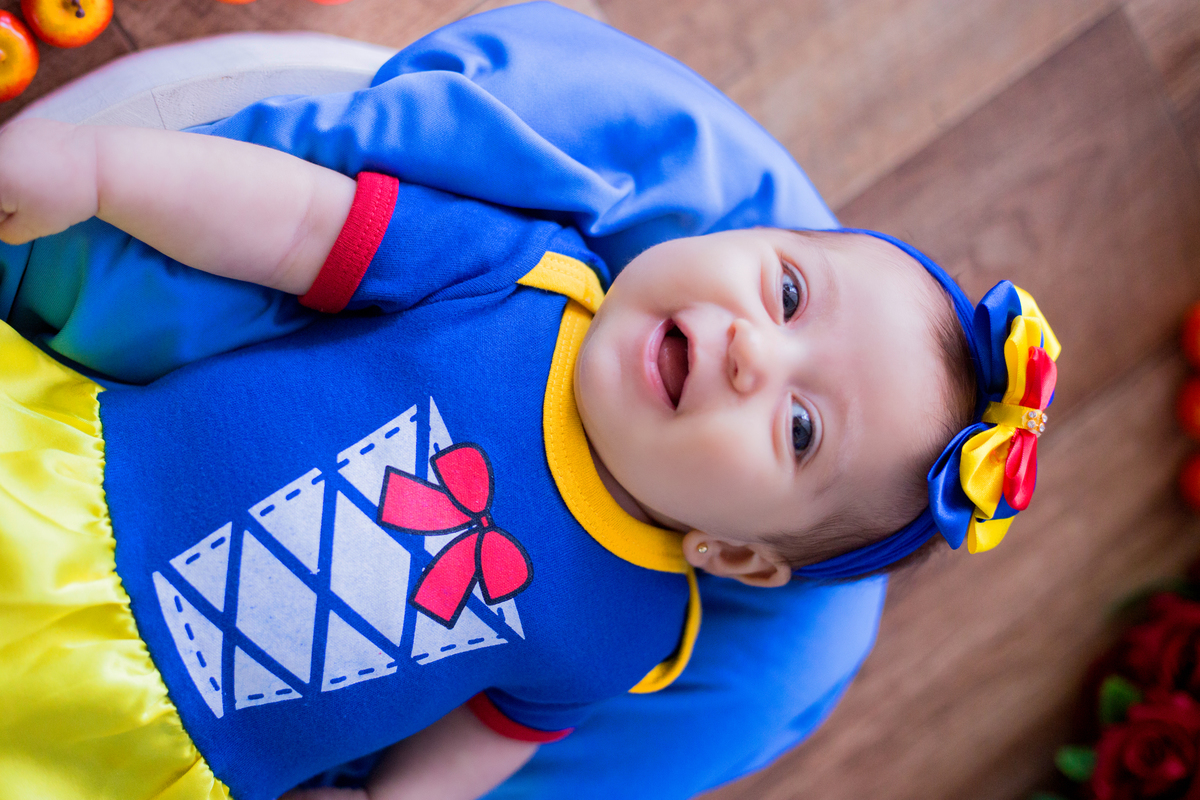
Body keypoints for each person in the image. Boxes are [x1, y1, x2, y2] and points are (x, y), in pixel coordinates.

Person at [0, 94, 1058, 800]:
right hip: (56, 502)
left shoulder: (628, 628)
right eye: (786, 290)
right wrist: (105, 170)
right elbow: (291, 227)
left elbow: (493, 736)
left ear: (735, 553)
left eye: (798, 426)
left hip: (144, 757)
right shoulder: (523, 277)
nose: (751, 350)